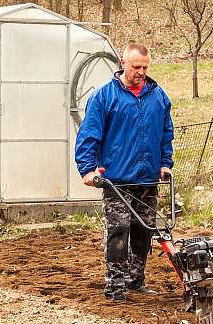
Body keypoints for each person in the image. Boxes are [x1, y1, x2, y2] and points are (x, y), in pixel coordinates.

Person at [75, 43, 174, 301]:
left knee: (144, 230)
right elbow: (89, 135)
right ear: (123, 63)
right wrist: (87, 169)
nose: (141, 72)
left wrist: (165, 163)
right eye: (136, 67)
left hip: (148, 176)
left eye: (145, 67)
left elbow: (166, 133)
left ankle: (135, 279)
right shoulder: (105, 96)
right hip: (117, 178)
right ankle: (115, 285)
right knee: (118, 230)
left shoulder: (158, 96)